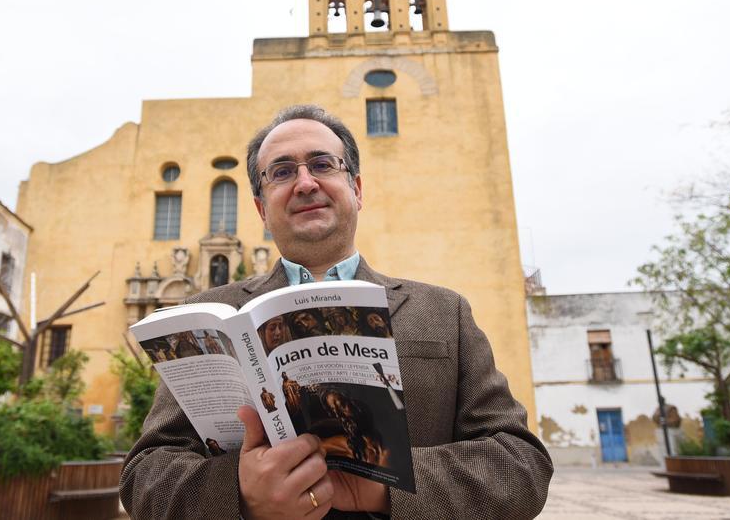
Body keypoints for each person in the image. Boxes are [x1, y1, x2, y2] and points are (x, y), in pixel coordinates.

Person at [121, 104, 552, 519]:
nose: (305, 183)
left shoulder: (444, 312)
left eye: (323, 164)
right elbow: (144, 476)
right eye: (283, 171)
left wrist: (388, 487)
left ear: (357, 189)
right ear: (261, 211)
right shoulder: (206, 315)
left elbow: (521, 462)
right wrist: (241, 494)